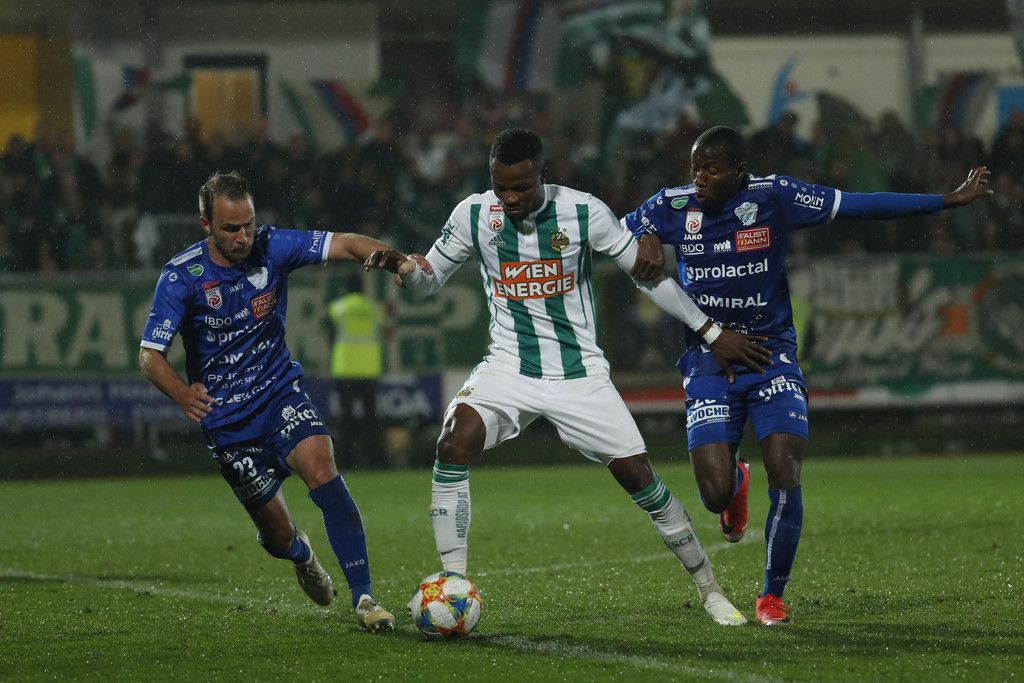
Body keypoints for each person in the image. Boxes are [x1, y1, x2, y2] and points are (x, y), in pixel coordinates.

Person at [365, 127, 770, 626]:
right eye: (501, 187)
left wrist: (710, 331)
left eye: (522, 187)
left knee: (640, 479)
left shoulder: (584, 212)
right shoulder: (473, 214)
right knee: (452, 443)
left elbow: (648, 279)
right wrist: (405, 268)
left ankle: (710, 590)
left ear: (543, 176)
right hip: (508, 367)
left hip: (579, 375)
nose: (511, 198)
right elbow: (429, 280)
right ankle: (455, 584)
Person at [625, 125, 993, 625]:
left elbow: (859, 205)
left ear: (739, 171)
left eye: (710, 169)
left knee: (785, 467)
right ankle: (736, 481)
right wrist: (645, 234)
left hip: (769, 353)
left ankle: (771, 595)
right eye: (695, 168)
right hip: (710, 358)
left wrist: (945, 201)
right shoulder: (672, 205)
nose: (699, 179)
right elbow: (614, 233)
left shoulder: (775, 196)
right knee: (713, 493)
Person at [138, 171, 400, 632]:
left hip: (278, 393)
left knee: (323, 470)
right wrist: (181, 392)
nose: (243, 238)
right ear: (206, 225)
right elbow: (149, 355)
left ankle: (364, 598)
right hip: (227, 421)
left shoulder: (273, 246)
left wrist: (394, 259)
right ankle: (302, 554)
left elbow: (344, 243)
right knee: (278, 537)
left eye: (249, 225)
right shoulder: (182, 275)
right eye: (230, 229)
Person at [327, 274, 385, 468]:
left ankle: (345, 461)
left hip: (344, 368)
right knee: (371, 418)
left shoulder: (338, 308)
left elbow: (329, 334)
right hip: (369, 369)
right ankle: (374, 461)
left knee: (346, 417)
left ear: (345, 288)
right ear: (363, 288)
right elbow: (384, 332)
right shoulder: (374, 308)